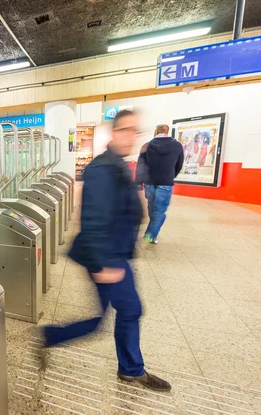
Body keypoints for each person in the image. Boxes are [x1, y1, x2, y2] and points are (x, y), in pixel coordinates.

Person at [42, 110, 171, 392]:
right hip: (107, 256)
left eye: (136, 131)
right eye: (126, 130)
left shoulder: (118, 164)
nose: (131, 137)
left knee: (117, 314)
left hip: (115, 252)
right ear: (114, 132)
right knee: (127, 311)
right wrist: (103, 265)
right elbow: (93, 219)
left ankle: (50, 338)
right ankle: (130, 369)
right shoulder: (102, 168)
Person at [142, 124, 184, 244]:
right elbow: (179, 164)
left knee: (151, 207)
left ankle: (151, 232)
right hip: (165, 182)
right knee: (160, 210)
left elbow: (143, 163)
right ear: (167, 131)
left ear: (156, 131)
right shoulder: (177, 145)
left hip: (150, 181)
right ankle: (151, 234)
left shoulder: (148, 145)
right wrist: (171, 175)